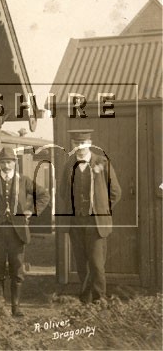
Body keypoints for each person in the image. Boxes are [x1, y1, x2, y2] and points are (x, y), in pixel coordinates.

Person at [0, 147, 49, 317]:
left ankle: (16, 307)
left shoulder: (24, 181)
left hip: (17, 232)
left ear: (15, 163)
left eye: (9, 162)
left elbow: (44, 195)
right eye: (2, 162)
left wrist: (31, 211)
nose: (6, 166)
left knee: (17, 269)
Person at [57, 129, 121, 304]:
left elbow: (115, 192)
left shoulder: (102, 162)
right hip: (76, 221)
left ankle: (100, 298)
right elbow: (63, 191)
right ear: (72, 145)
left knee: (96, 263)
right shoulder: (69, 164)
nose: (79, 147)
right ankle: (85, 298)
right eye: (76, 144)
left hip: (95, 223)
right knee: (81, 262)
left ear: (90, 143)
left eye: (83, 143)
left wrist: (102, 209)